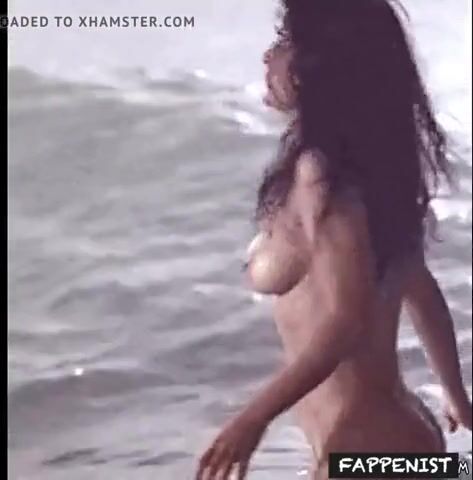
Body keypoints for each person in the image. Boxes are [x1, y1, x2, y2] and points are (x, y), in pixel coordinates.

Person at [196, 1, 472, 479]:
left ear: (319, 66)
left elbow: (347, 318)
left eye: (284, 42)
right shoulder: (367, 173)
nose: (267, 57)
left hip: (365, 451)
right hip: (387, 445)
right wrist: (456, 397)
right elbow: (420, 289)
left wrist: (252, 420)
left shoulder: (320, 175)